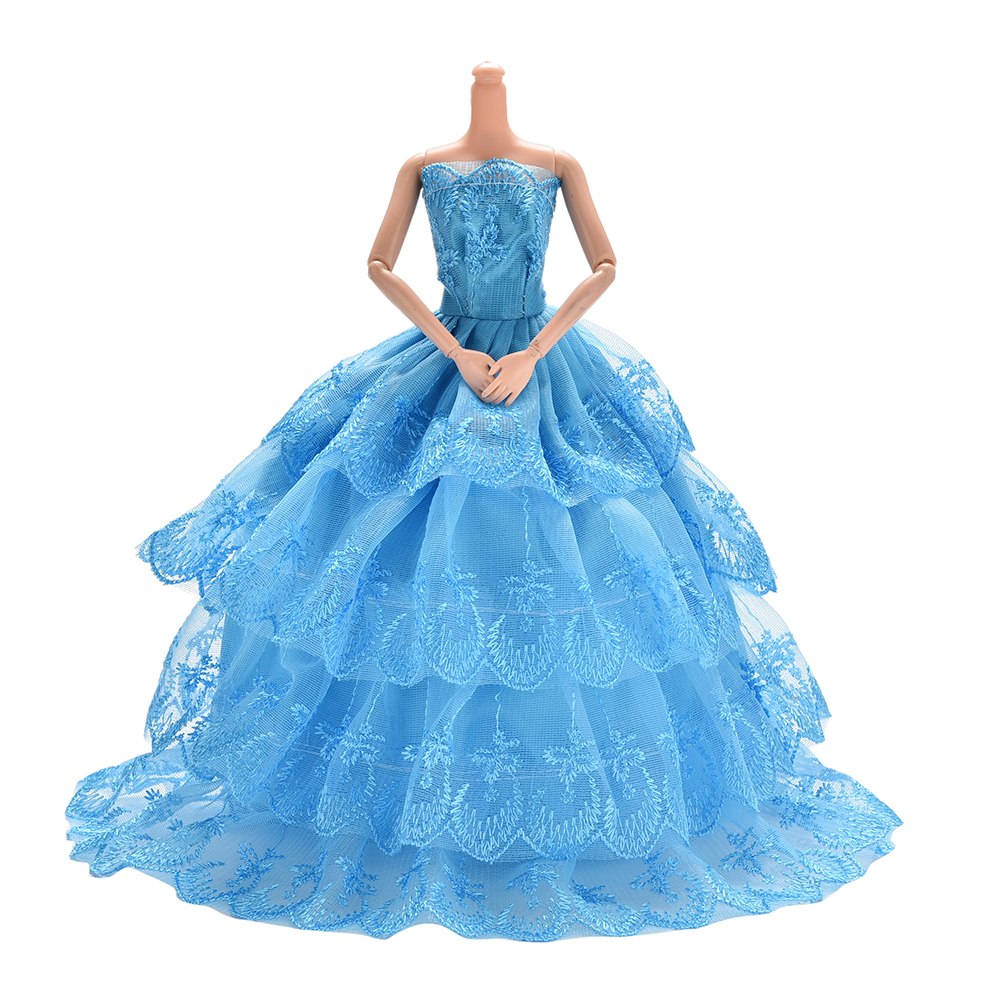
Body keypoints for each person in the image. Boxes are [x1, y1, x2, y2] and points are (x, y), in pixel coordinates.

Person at [66, 61, 901, 941]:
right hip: (449, 356)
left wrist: (534, 350)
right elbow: (379, 264)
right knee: (390, 530)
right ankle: (409, 786)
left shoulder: (557, 164)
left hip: (542, 361)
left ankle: (554, 783)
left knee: (598, 533)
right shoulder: (424, 165)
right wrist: (454, 350)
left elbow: (606, 265)